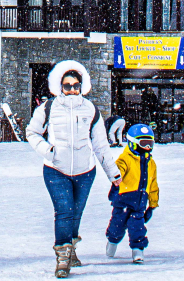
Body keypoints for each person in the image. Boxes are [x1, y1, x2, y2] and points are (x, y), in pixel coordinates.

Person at [27, 60, 119, 278]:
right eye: (67, 85)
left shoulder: (90, 110)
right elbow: (32, 132)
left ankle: (71, 249)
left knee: (76, 213)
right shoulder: (48, 108)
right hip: (55, 170)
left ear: (82, 86)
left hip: (85, 172)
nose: (72, 89)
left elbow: (100, 145)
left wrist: (113, 173)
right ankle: (62, 257)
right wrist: (48, 151)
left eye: (76, 85)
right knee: (64, 211)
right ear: (60, 87)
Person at [104, 123, 159, 264]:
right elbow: (118, 170)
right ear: (133, 143)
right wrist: (116, 177)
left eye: (150, 143)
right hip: (123, 200)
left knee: (137, 227)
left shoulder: (150, 163)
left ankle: (138, 250)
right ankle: (112, 243)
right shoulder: (125, 159)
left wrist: (152, 204)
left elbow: (153, 185)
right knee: (117, 226)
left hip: (140, 202)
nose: (147, 147)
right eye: (144, 143)